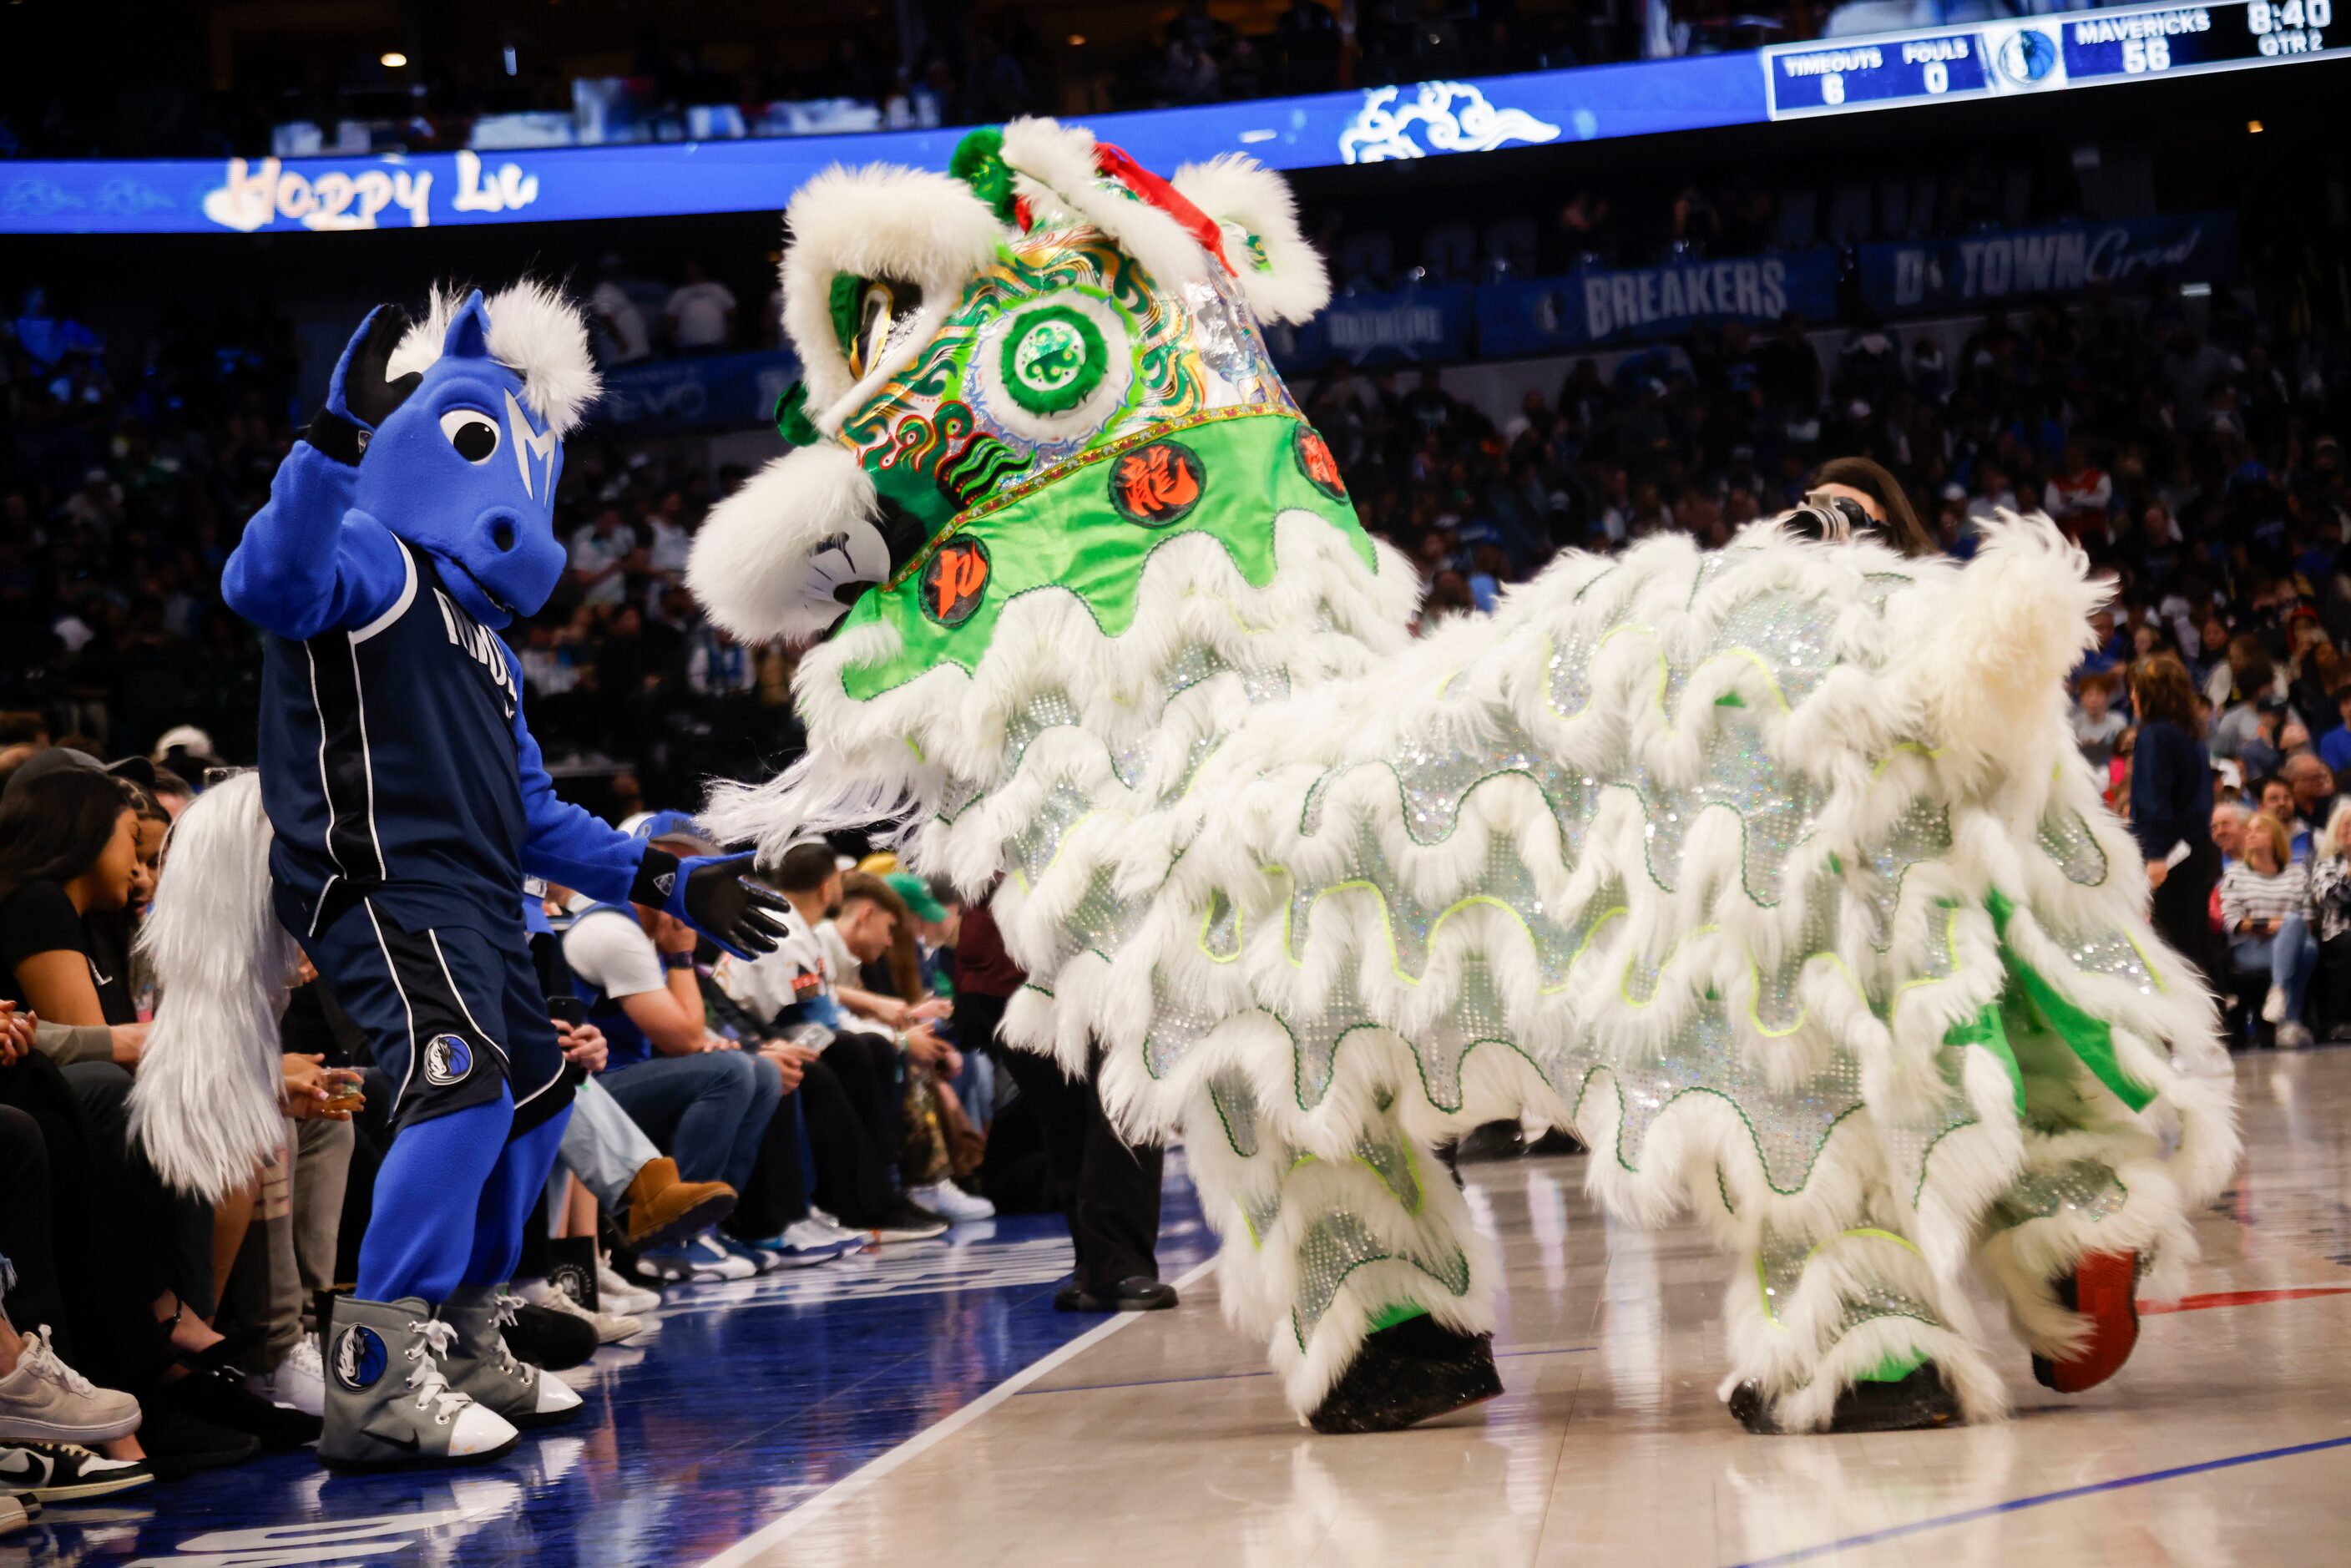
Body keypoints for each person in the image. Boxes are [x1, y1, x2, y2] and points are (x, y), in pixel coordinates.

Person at [182, 291, 790, 1470]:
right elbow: (261, 582)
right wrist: (327, 449)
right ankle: (375, 1366)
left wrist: (668, 882)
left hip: (474, 893)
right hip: (381, 876)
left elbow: (535, 816)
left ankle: (464, 1326)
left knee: (537, 1094)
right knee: (457, 1084)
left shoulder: (492, 650)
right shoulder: (368, 555)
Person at [555, 827, 786, 1282]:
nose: (693, 883)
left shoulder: (646, 932)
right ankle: (670, 1240)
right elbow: (682, 1039)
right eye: (679, 869)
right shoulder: (614, 930)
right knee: (731, 1073)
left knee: (761, 1071)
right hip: (594, 1089)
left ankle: (707, 1230)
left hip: (621, 1079)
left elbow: (691, 1036)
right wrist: (680, 955)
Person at [2131, 654, 2219, 979]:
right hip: (2198, 850)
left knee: (2173, 950)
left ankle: (2188, 1026)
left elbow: (2155, 800)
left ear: (2149, 694)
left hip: (2170, 859)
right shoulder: (2193, 736)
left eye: (2136, 690)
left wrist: (2155, 855)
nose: (2131, 698)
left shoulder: (2153, 736)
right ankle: (2216, 1019)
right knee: (2196, 944)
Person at [2219, 813, 2316, 1048]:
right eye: (2249, 829)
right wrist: (2270, 925)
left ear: (2275, 838)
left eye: (2259, 829)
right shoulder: (2236, 873)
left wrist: (2285, 929)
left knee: (2307, 944)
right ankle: (2288, 1019)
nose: (2250, 834)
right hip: (2249, 947)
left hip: (2290, 941)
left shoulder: (2297, 873)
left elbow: (2308, 920)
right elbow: (2232, 921)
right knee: (2305, 945)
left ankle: (2278, 995)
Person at [2303, 800, 2351, 1039]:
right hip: (2338, 934)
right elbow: (2330, 897)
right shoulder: (2327, 863)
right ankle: (2339, 1021)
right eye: (2347, 825)